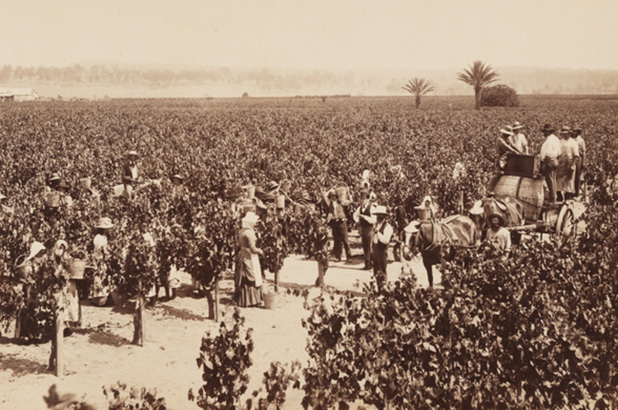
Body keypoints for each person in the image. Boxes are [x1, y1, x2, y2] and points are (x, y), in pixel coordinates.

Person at [234, 211, 264, 307]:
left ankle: (242, 299)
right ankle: (251, 300)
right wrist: (260, 251)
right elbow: (253, 249)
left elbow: (239, 244)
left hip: (242, 254)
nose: (255, 223)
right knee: (252, 276)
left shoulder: (241, 231)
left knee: (243, 278)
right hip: (249, 256)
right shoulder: (249, 233)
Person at [487, 126, 523, 192]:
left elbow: (513, 145)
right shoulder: (500, 139)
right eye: (508, 134)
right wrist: (515, 152)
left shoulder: (507, 139)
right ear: (505, 133)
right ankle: (489, 189)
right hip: (501, 158)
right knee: (497, 173)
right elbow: (507, 147)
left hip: (507, 157)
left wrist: (520, 152)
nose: (509, 135)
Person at [323, 189, 352, 262]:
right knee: (337, 240)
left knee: (345, 240)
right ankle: (338, 256)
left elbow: (350, 201)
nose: (333, 197)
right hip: (334, 223)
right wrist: (333, 187)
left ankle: (349, 257)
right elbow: (324, 195)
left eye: (334, 196)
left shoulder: (341, 202)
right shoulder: (329, 203)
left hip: (342, 222)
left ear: (337, 196)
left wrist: (348, 191)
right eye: (332, 196)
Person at [91, 217, 114, 306]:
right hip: (99, 260)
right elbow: (101, 250)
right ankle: (99, 299)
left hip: (104, 259)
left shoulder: (104, 237)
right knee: (99, 277)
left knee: (104, 277)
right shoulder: (97, 238)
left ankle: (104, 298)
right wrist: (106, 253)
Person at [353, 189, 376, 269]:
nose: (362, 200)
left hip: (370, 228)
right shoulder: (360, 208)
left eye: (364, 198)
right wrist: (358, 221)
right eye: (361, 198)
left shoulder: (371, 207)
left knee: (370, 246)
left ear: (367, 199)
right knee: (365, 246)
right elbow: (355, 215)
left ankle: (372, 263)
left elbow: (374, 219)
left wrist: (365, 217)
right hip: (363, 228)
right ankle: (367, 263)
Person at [371, 205, 393, 291]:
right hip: (375, 250)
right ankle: (379, 289)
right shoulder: (376, 225)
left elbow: (386, 240)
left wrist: (378, 233)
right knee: (376, 271)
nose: (378, 217)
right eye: (377, 215)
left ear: (384, 217)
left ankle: (384, 290)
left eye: (380, 216)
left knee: (382, 270)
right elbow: (374, 238)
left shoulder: (388, 227)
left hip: (382, 250)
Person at [539, 124, 561, 203]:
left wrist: (544, 165)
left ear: (548, 132)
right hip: (554, 160)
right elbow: (559, 153)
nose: (544, 133)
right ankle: (554, 196)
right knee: (553, 179)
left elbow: (548, 154)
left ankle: (552, 198)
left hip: (549, 161)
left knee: (550, 180)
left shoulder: (549, 141)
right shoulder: (556, 139)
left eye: (545, 131)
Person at [556, 126, 579, 200]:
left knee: (569, 181)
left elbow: (576, 155)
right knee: (559, 180)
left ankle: (568, 197)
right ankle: (559, 196)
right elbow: (557, 153)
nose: (565, 135)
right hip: (561, 163)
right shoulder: (560, 142)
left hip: (570, 162)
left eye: (566, 134)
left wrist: (573, 165)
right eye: (563, 134)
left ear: (569, 134)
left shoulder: (573, 143)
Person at [573, 126, 586, 197]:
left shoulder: (581, 140)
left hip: (578, 159)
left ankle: (576, 192)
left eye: (574, 131)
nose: (572, 132)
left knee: (577, 176)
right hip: (572, 159)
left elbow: (583, 152)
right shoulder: (571, 140)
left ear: (577, 133)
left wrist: (583, 162)